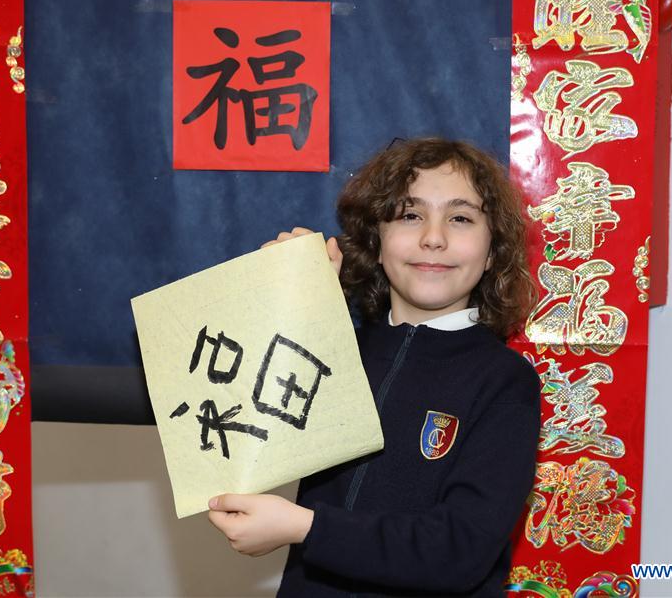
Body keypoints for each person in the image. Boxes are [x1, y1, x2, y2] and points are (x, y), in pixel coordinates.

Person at [207, 137, 541, 597]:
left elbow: (459, 550)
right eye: (409, 215)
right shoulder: (333, 351)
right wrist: (284, 299)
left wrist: (307, 528)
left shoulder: (505, 382)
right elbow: (236, 432)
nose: (433, 237)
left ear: (491, 252)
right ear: (375, 241)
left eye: (460, 218)